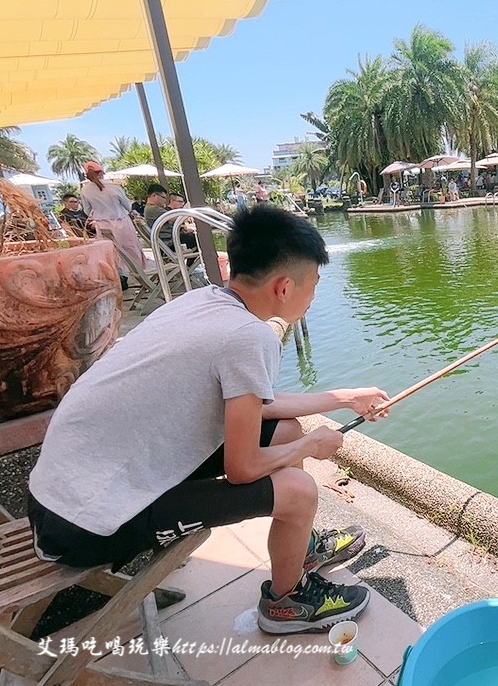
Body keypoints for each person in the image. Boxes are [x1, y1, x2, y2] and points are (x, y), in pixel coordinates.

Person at [27, 204, 390, 635]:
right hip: (84, 524)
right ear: (284, 287)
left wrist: (345, 398)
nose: (315, 292)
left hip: (59, 497)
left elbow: (258, 406)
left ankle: (298, 549)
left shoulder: (204, 302)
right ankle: (285, 603)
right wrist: (312, 447)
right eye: (313, 284)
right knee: (298, 488)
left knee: (285, 433)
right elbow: (243, 470)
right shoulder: (249, 336)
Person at [80, 161, 144, 286]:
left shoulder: (85, 190)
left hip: (102, 225)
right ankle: (140, 277)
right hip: (121, 223)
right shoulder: (114, 186)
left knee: (110, 253)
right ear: (102, 172)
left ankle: (119, 278)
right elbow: (127, 206)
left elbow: (87, 210)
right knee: (131, 249)